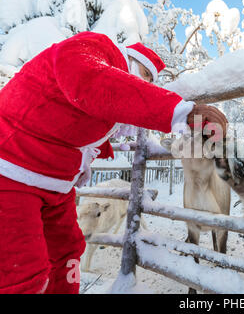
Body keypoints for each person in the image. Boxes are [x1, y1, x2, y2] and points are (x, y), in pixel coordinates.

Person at [0, 31, 228, 294]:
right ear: (129, 59)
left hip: (52, 183)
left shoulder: (105, 93)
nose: (145, 83)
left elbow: (84, 120)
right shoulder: (92, 48)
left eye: (150, 81)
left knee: (68, 251)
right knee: (22, 270)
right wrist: (177, 111)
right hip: (11, 169)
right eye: (144, 75)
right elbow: (94, 83)